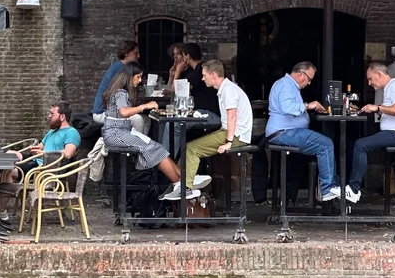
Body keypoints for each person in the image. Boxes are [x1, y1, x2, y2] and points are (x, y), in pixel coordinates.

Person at [101, 62, 199, 201]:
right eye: (138, 77)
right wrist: (145, 106)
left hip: (122, 131)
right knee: (150, 148)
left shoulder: (119, 92)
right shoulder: (121, 92)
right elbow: (124, 112)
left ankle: (185, 181)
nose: (140, 81)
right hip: (116, 133)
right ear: (130, 77)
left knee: (157, 146)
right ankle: (179, 184)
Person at [266, 62, 341, 202]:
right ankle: (328, 189)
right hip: (284, 132)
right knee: (325, 145)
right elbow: (288, 107)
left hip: (287, 131)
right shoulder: (286, 85)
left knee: (324, 143)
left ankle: (331, 186)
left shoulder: (287, 85)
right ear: (301, 74)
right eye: (309, 79)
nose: (309, 83)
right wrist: (308, 105)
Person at [347, 63, 395, 204]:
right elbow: (394, 110)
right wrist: (377, 110)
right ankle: (353, 188)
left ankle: (353, 189)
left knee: (360, 145)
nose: (369, 83)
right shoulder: (390, 87)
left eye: (370, 78)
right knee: (361, 144)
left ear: (379, 74)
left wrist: (378, 107)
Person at [0, 103, 80, 220]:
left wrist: (43, 153)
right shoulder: (52, 132)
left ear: (62, 117)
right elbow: (41, 147)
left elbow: (68, 153)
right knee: (10, 154)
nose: (49, 116)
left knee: (7, 170)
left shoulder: (71, 133)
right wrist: (36, 149)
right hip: (37, 162)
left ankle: (1, 211)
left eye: (52, 114)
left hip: (46, 169)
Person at [182, 60, 254, 192]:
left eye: (204, 75)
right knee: (189, 148)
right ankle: (181, 181)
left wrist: (229, 142)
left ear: (213, 75)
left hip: (236, 136)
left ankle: (185, 188)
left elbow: (232, 116)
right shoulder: (227, 88)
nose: (203, 79)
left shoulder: (228, 90)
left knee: (191, 149)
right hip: (231, 132)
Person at [93, 41, 140, 123]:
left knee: (145, 120)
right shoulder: (122, 70)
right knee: (138, 120)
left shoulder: (119, 66)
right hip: (104, 112)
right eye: (136, 53)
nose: (138, 56)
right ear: (126, 53)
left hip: (107, 111)